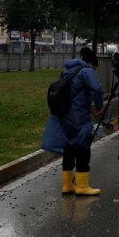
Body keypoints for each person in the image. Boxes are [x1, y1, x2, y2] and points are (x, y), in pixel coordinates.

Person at [42, 47, 104, 196]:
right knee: (83, 148)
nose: (94, 71)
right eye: (95, 68)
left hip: (64, 116)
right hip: (79, 117)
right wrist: (99, 106)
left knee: (68, 149)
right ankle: (82, 187)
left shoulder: (67, 71)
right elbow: (96, 89)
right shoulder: (86, 71)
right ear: (92, 64)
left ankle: (67, 185)